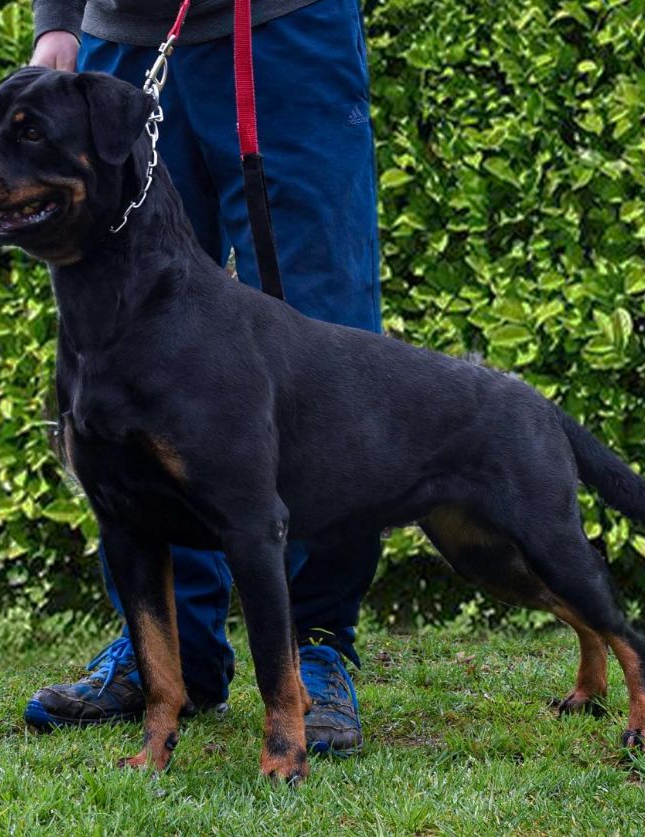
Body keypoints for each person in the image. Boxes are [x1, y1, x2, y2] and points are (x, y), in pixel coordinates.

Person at [23, 0, 382, 756]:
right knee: (127, 347)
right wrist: (57, 18)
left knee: (321, 331)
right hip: (123, 38)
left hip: (280, 30)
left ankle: (317, 642)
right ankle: (170, 655)